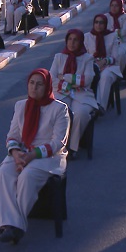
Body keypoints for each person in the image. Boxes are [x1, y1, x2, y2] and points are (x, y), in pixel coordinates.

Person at [0, 68, 69, 244]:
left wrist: (32, 156)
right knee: (5, 171)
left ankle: (14, 226)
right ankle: (11, 224)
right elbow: (13, 135)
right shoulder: (21, 105)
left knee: (27, 176)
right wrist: (15, 153)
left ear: (47, 87)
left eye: (39, 84)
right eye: (31, 83)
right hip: (23, 152)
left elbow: (58, 143)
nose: (34, 88)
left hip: (49, 157)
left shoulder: (60, 109)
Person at [49, 30, 98, 160]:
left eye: (75, 40)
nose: (72, 43)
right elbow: (52, 78)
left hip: (82, 94)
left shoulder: (87, 58)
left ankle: (72, 147)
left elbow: (87, 80)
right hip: (61, 93)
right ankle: (55, 145)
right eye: (70, 39)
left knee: (80, 114)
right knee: (57, 111)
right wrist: (71, 83)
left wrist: (65, 77)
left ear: (81, 42)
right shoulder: (59, 57)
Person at [84, 14, 122, 110]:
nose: (98, 25)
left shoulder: (112, 36)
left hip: (110, 66)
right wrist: (94, 62)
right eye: (96, 22)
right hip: (92, 65)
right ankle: (87, 105)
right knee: (88, 75)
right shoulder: (87, 37)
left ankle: (100, 106)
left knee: (105, 75)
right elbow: (83, 56)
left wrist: (105, 61)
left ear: (105, 24)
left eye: (101, 23)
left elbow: (115, 57)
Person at [104, 0, 126, 72]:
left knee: (121, 54)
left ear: (121, 6)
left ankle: (119, 72)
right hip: (108, 42)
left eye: (116, 6)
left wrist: (111, 32)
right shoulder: (106, 16)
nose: (114, 8)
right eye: (112, 5)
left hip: (122, 42)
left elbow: (124, 32)